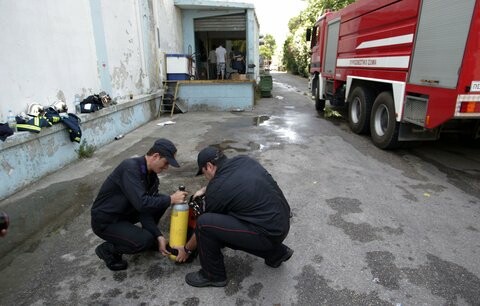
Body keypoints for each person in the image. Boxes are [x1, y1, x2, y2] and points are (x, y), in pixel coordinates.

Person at [184, 147, 293, 287]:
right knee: (229, 222)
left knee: (205, 224)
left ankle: (213, 275)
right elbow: (229, 183)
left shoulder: (218, 190)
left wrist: (186, 250)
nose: (206, 178)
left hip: (268, 232)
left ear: (209, 166)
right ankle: (276, 253)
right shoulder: (243, 160)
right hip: (281, 221)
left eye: (204, 172)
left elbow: (203, 227)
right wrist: (206, 189)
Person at [91, 138, 188, 271]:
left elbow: (145, 210)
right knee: (145, 240)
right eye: (166, 163)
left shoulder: (151, 176)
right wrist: (171, 199)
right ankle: (108, 249)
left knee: (159, 201)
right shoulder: (130, 168)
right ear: (155, 156)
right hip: (106, 221)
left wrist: (157, 235)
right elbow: (142, 204)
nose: (166, 168)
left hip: (124, 213)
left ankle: (148, 238)